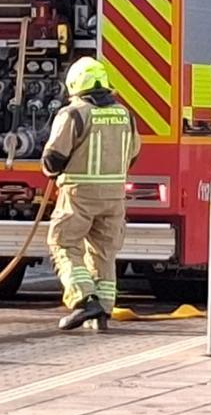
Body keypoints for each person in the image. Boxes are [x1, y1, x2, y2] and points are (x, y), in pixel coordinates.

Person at [41, 57, 140, 332]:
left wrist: (52, 171)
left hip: (78, 195)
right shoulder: (125, 114)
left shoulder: (74, 113)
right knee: (104, 253)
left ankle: (83, 300)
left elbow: (53, 158)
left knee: (63, 244)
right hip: (114, 196)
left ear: (74, 85)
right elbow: (134, 153)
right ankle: (103, 311)